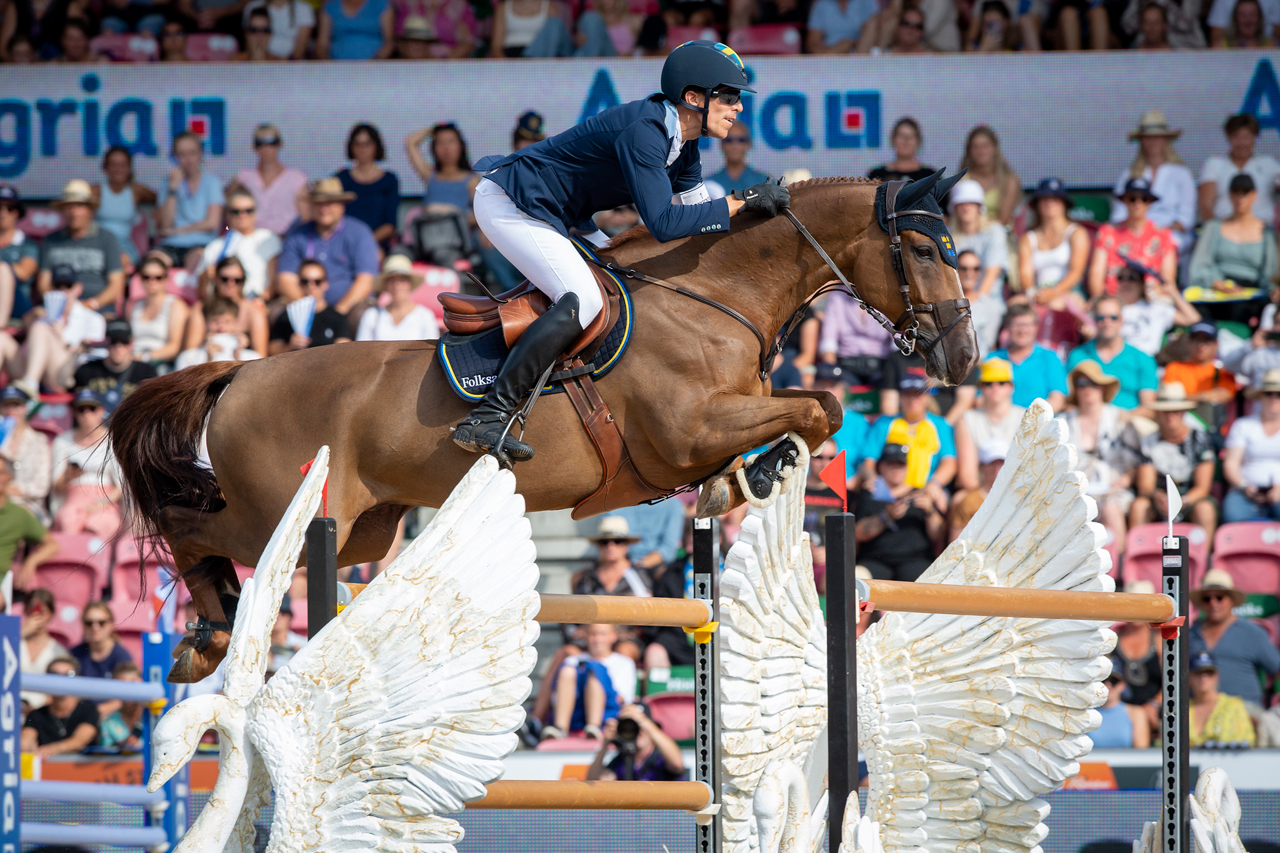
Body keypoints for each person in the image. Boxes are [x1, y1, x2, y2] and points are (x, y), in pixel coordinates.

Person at [452, 41, 789, 464]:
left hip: (562, 215)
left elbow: (701, 221)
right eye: (728, 96)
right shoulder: (645, 131)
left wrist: (756, 223)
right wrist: (741, 201)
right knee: (585, 300)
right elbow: (665, 224)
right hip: (513, 202)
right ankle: (488, 415)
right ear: (693, 98)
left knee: (628, 283)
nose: (738, 107)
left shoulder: (685, 146)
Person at [0, 263, 107, 398]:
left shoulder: (94, 319)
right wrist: (31, 319)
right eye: (58, 286)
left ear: (78, 288)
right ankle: (30, 382)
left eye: (68, 286)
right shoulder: (44, 315)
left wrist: (59, 336)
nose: (63, 291)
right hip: (38, 372)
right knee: (2, 338)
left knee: (41, 327)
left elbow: (92, 361)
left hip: (67, 376)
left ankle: (30, 382)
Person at [1057, 360, 1133, 551]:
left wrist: (1122, 482)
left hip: (1114, 489)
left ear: (1102, 388)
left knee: (1111, 509)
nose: (1088, 389)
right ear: (1076, 389)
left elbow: (1134, 462)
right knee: (1063, 511)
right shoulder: (1063, 422)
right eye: (1081, 383)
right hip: (1074, 492)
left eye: (1094, 383)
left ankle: (1119, 563)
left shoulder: (1120, 417)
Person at [276, 179, 379, 316]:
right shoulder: (297, 234)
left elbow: (366, 280)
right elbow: (285, 279)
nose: (324, 209)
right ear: (312, 206)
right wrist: (310, 310)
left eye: (330, 203)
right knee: (277, 312)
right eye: (319, 203)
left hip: (347, 310)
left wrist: (336, 314)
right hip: (306, 309)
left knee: (363, 314)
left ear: (342, 205)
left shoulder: (359, 232)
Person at [1129, 382, 1218, 538]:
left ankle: (1204, 552)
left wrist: (1182, 501)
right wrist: (1158, 496)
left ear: (1183, 412)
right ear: (1158, 413)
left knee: (1205, 510)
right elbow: (1146, 485)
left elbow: (1202, 487)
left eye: (1175, 411)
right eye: (1165, 411)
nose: (1170, 416)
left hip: (1191, 498)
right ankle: (1136, 550)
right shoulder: (1148, 441)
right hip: (1159, 499)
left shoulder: (1200, 438)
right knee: (1139, 506)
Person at [859, 373, 957, 510]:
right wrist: (872, 478)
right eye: (907, 395)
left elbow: (949, 463)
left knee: (941, 503)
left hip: (924, 490)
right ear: (900, 397)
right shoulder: (884, 423)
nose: (912, 400)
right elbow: (869, 460)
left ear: (926, 397)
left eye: (917, 395)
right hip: (890, 491)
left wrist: (935, 483)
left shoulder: (940, 425)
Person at [1189, 570, 1280, 716]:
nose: (1213, 603)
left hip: (1245, 712)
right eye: (1207, 598)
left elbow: (1277, 668)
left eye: (1219, 597)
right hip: (1199, 711)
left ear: (1231, 600)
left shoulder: (1252, 633)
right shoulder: (1189, 635)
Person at [1188, 174, 1277, 323]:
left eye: (1245, 192)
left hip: (1250, 294)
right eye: (1236, 192)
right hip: (1215, 289)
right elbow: (1199, 265)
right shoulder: (1213, 227)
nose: (1240, 198)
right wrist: (1218, 283)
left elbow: (1270, 273)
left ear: (1254, 195)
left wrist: (1271, 289)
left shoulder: (1266, 232)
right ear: (1229, 195)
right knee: (1197, 312)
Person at [853, 442, 944, 582]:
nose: (896, 470)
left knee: (927, 582)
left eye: (900, 465)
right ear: (881, 466)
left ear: (907, 468)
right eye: (891, 464)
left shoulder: (921, 495)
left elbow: (939, 535)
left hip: (915, 561)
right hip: (876, 561)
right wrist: (885, 516)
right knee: (855, 579)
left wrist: (930, 512)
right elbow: (858, 534)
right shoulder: (870, 494)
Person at [1110, 110, 1197, 255]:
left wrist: (1156, 233)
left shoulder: (1182, 173)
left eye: (1157, 137)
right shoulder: (1128, 174)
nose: (1152, 142)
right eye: (1148, 138)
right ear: (1141, 141)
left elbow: (1186, 219)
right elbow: (1119, 214)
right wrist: (1139, 233)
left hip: (1170, 234)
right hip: (1133, 233)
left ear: (1165, 140)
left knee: (1167, 244)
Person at [37, 179, 125, 314]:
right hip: (57, 311)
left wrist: (90, 305)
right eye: (69, 206)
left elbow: (116, 285)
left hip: (99, 311)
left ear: (90, 210)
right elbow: (43, 284)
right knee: (34, 316)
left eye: (79, 206)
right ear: (63, 210)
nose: (74, 212)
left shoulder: (107, 239)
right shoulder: (50, 241)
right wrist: (61, 305)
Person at [542, 622, 637, 740]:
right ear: (585, 635)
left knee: (595, 669)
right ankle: (560, 727)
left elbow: (624, 698)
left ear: (614, 636)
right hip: (576, 712)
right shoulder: (572, 660)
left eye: (603, 634)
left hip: (607, 714)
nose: (598, 639)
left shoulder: (624, 662)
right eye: (593, 634)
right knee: (567, 670)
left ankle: (594, 726)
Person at [1067, 296, 1158, 416]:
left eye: (1113, 317)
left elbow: (1149, 408)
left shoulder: (1142, 358)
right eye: (1101, 317)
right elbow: (1069, 401)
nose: (1107, 322)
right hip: (1086, 421)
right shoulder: (1078, 355)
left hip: (1128, 422)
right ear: (1094, 320)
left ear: (1122, 320)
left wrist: (1119, 419)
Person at [51, 388, 123, 539]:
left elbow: (120, 487)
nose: (86, 414)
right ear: (75, 413)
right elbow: (56, 486)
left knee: (101, 523)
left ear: (101, 410)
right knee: (68, 521)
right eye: (81, 409)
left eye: (92, 408)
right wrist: (68, 477)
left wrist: (100, 503)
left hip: (106, 500)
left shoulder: (113, 440)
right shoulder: (62, 441)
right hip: (72, 499)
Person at [1090, 177, 1178, 299]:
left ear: (1150, 203)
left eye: (1144, 199)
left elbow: (1167, 280)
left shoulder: (1163, 234)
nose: (1138, 204)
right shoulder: (1108, 232)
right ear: (1124, 201)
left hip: (1150, 301)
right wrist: (1104, 303)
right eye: (1132, 199)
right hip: (1114, 300)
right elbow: (1096, 277)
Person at [194, 187, 282, 300]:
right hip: (221, 304)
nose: (242, 215)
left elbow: (275, 279)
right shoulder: (215, 246)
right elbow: (202, 293)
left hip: (256, 301)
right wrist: (206, 277)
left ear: (255, 212)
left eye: (248, 210)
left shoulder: (267, 238)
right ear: (227, 215)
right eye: (236, 211)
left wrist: (261, 300)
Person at [1018, 177, 1091, 313]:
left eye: (1055, 199)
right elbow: (1025, 274)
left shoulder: (1077, 232)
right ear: (1037, 204)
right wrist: (1032, 293)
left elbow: (1076, 272)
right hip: (1038, 293)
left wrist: (1054, 292)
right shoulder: (1028, 238)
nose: (1050, 203)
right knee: (1015, 306)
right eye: (1044, 199)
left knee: (1055, 305)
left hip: (1070, 291)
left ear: (1064, 203)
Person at [955, 357, 1024, 492]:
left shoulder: (1025, 418)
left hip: (1016, 492)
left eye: (1001, 383)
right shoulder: (967, 419)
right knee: (963, 500)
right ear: (981, 387)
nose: (995, 387)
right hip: (980, 491)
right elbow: (968, 475)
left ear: (1011, 386)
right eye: (988, 383)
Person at [156, 132, 224, 270]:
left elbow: (212, 223)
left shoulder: (212, 182)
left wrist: (178, 230)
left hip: (202, 244)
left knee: (196, 262)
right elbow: (165, 224)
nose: (188, 159)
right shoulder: (167, 184)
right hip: (171, 244)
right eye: (182, 154)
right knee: (153, 263)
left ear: (200, 154)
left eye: (192, 153)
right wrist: (172, 190)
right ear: (175, 157)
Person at [1222, 368, 1280, 522]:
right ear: (1261, 396)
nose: (1274, 398)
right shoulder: (1243, 425)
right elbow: (1231, 464)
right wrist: (1244, 486)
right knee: (1232, 515)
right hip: (1244, 491)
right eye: (1269, 393)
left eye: (1278, 394)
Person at [1199, 113, 1280, 224]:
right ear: (1228, 137)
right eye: (1236, 137)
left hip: (1263, 228)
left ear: (1254, 138)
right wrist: (1214, 229)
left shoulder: (1269, 163)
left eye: (1246, 137)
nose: (1242, 143)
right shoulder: (1215, 164)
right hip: (1225, 228)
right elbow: (1206, 205)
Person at [234, 124, 310, 237]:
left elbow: (306, 218)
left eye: (271, 142)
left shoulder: (296, 178)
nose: (266, 148)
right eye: (260, 143)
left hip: (287, 238)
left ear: (279, 145)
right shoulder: (244, 178)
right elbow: (229, 213)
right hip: (251, 239)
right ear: (254, 147)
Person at [185, 257, 270, 357]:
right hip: (207, 362)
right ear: (216, 278)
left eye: (237, 280)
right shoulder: (200, 309)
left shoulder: (253, 312)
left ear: (243, 281)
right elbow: (188, 355)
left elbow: (261, 355)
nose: (231, 284)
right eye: (225, 279)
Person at [991, 304, 1069, 410]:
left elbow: (1057, 399)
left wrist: (1030, 419)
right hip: (999, 418)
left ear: (1036, 327)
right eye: (1017, 325)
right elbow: (979, 399)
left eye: (1028, 325)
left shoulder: (1050, 358)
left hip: (1039, 419)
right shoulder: (993, 359)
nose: (1022, 330)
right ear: (1007, 327)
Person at [1115, 259, 1199, 357]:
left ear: (1142, 283)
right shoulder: (1109, 309)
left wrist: (1174, 293)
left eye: (1131, 277)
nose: (1125, 282)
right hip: (1119, 360)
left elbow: (1193, 318)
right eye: (1121, 277)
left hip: (1148, 359)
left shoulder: (1156, 308)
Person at [1161, 320, 1238, 425]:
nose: (1201, 345)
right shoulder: (1174, 367)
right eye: (1196, 340)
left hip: (1210, 427)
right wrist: (1204, 397)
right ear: (1189, 342)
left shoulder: (1223, 371)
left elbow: (1225, 395)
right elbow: (1169, 397)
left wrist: (1186, 398)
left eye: (1207, 341)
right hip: (1179, 424)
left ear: (1216, 345)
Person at [73, 319, 159, 412]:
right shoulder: (87, 370)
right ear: (105, 343)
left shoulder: (146, 373)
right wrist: (77, 352)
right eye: (113, 342)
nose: (118, 347)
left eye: (124, 341)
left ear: (131, 343)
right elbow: (63, 386)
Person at [268, 259, 354, 352]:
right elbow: (273, 349)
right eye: (305, 281)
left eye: (317, 282)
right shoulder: (287, 316)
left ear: (325, 284)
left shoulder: (337, 318)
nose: (311, 286)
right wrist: (290, 347)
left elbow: (344, 350)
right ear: (299, 283)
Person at [337, 123, 400, 248]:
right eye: (357, 144)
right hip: (344, 245)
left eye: (367, 144)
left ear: (376, 146)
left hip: (377, 245)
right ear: (351, 147)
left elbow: (390, 225)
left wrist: (364, 242)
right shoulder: (341, 178)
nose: (362, 149)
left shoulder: (389, 180)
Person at [818, 287, 893, 393]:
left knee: (893, 386)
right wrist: (831, 372)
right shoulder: (838, 296)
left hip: (881, 366)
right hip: (846, 366)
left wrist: (893, 373)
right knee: (833, 387)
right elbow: (829, 340)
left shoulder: (887, 297)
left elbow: (896, 338)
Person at [92, 147, 156, 269]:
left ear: (129, 168)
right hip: (99, 245)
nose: (118, 169)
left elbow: (160, 199)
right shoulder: (95, 191)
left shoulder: (137, 191)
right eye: (113, 165)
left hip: (125, 247)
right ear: (105, 168)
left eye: (123, 165)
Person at [21, 657, 99, 757]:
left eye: (69, 675)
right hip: (47, 767)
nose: (61, 680)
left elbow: (79, 741)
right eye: (54, 674)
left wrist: (52, 749)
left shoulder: (88, 709)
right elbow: (25, 743)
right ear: (46, 680)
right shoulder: (36, 715)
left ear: (77, 679)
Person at [586, 703, 685, 781]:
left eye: (640, 726)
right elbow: (593, 782)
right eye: (629, 728)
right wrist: (605, 744)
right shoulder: (622, 760)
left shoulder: (661, 757)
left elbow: (677, 764)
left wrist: (643, 720)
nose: (638, 732)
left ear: (651, 728)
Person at [0, 456, 58, 589]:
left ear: (9, 477)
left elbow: (52, 545)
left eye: (1, 473)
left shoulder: (19, 514)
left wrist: (30, 562)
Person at [948, 178, 1008, 301]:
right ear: (954, 207)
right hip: (954, 301)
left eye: (971, 202)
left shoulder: (995, 232)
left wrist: (972, 301)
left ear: (979, 206)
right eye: (961, 203)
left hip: (988, 301)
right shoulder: (945, 234)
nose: (966, 207)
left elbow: (992, 273)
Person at [356, 254, 439, 341]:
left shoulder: (425, 316)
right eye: (392, 280)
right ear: (386, 285)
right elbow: (362, 347)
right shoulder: (371, 315)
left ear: (409, 284)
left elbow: (432, 347)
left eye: (402, 280)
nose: (397, 285)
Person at [0, 385, 51, 523]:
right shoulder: (1, 437)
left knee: (16, 515)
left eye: (16, 405)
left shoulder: (39, 440)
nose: (11, 411)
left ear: (25, 408)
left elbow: (41, 486)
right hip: (2, 500)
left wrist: (11, 489)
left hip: (28, 504)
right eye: (6, 406)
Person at [128, 256, 189, 367]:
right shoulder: (134, 305)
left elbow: (174, 347)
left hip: (160, 364)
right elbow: (129, 340)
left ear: (166, 279)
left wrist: (144, 357)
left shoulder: (175, 305)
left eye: (158, 277)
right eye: (146, 277)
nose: (152, 281)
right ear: (140, 279)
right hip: (133, 361)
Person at [1188, 650, 1256, 748]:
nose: (1203, 677)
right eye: (1198, 672)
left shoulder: (1233, 706)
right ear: (1190, 676)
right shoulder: (1183, 708)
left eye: (1209, 672)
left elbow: (1247, 743)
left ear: (1216, 676)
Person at [175, 296, 265, 368]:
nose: (221, 328)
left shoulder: (252, 357)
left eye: (227, 322)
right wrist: (208, 360)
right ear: (205, 322)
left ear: (235, 323)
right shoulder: (187, 358)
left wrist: (238, 358)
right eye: (215, 321)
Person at [958, 125, 1021, 227]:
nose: (981, 151)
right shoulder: (960, 181)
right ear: (969, 151)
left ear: (995, 148)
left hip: (1000, 232)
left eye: (985, 146)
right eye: (975, 147)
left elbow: (1004, 219)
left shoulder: (1009, 181)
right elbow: (957, 217)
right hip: (967, 232)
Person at [20, 589, 67, 710]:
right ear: (25, 611)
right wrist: (20, 634)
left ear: (51, 614)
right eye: (32, 610)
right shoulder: (15, 642)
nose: (36, 616)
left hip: (42, 711)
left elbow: (60, 690)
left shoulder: (58, 651)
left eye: (42, 612)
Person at [606, 500, 685, 571]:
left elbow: (668, 549)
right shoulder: (612, 503)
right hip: (619, 564)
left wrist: (638, 566)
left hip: (656, 568)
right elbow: (608, 541)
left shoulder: (673, 505)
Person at [1090, 657, 1151, 748]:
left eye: (1114, 681)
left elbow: (1141, 752)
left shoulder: (1136, 713)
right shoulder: (1083, 713)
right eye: (1103, 680)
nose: (1108, 685)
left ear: (1122, 685)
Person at [69, 600, 134, 679]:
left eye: (101, 623)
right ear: (83, 626)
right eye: (89, 623)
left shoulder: (122, 657)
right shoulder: (75, 654)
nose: (95, 627)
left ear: (111, 625)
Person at [0, 185, 37, 324]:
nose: (3, 213)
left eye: (10, 208)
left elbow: (24, 273)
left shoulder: (27, 244)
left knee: (3, 270)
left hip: (18, 306)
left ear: (17, 213)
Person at [956, 250, 1003, 358]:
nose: (969, 273)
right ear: (956, 270)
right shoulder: (945, 304)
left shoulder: (990, 307)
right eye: (964, 268)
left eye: (976, 269)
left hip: (978, 363)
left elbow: (990, 345)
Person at [706, 120, 768, 196]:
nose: (735, 146)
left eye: (741, 140)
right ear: (721, 145)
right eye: (729, 140)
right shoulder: (709, 185)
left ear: (748, 144)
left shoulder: (764, 183)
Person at [316, 0, 394, 58]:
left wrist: (373, 64)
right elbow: (322, 44)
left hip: (374, 67)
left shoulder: (382, 5)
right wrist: (328, 65)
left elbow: (389, 42)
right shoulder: (330, 7)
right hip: (337, 67)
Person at [867, 117, 933, 183]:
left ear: (918, 141)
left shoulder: (930, 176)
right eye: (901, 136)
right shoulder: (877, 176)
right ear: (893, 139)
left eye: (910, 137)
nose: (906, 141)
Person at [97, 661, 144, 751]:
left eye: (133, 684)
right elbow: (105, 753)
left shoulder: (153, 717)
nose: (129, 690)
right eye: (123, 686)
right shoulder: (108, 722)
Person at [242, 0, 315, 58]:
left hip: (292, 65)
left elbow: (298, 53)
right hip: (259, 61)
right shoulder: (253, 7)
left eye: (266, 30)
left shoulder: (304, 9)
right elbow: (250, 43)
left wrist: (278, 62)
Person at [805, 0, 880, 52]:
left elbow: (873, 35)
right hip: (829, 52)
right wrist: (837, 49)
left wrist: (850, 44)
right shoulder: (821, 4)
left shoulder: (866, 2)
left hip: (859, 52)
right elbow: (813, 43)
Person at [1208, 0, 1278, 45]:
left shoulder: (1271, 47)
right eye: (1242, 15)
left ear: (1259, 18)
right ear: (1235, 19)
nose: (1248, 20)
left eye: (1252, 15)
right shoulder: (1221, 47)